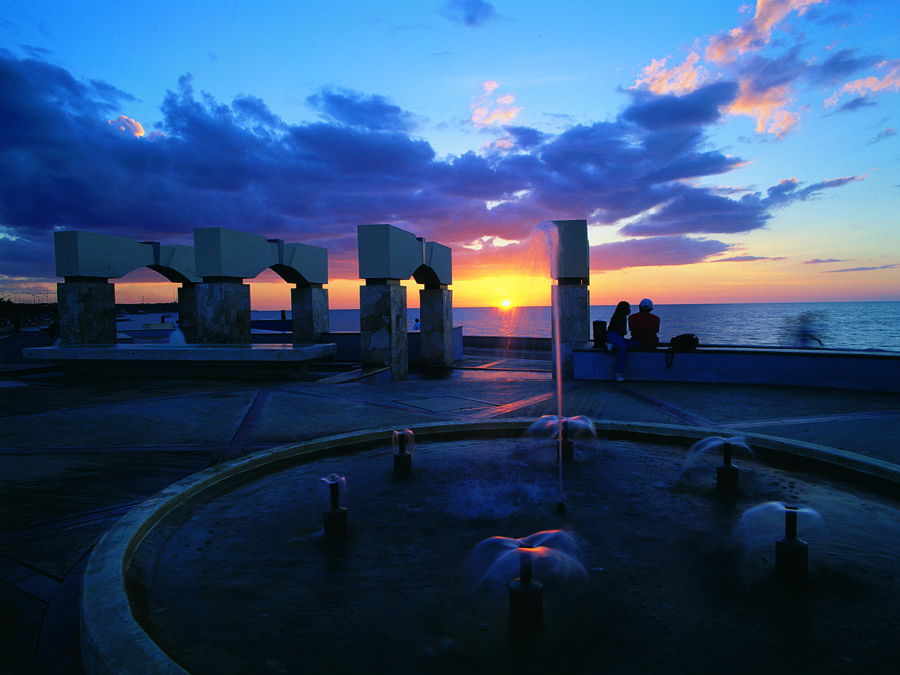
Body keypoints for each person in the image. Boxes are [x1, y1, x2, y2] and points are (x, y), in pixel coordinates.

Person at [606, 301, 639, 382]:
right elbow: (623, 331)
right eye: (628, 308)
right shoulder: (620, 317)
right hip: (612, 335)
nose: (630, 310)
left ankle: (612, 345)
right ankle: (619, 371)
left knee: (637, 343)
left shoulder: (622, 317)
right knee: (622, 346)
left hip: (617, 337)